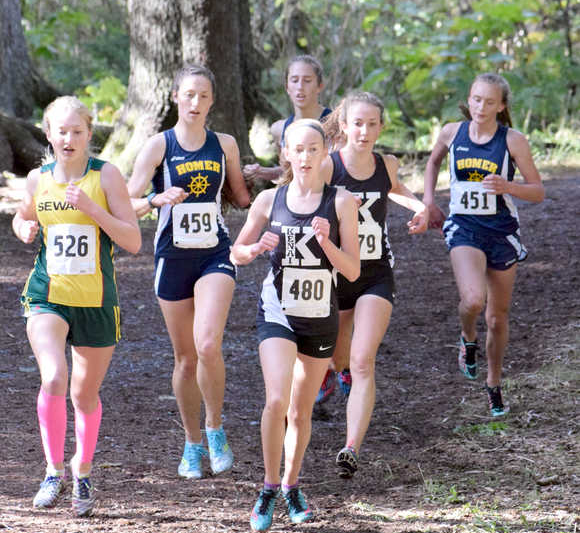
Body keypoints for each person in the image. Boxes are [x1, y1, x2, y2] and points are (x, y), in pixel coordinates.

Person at [12, 96, 141, 516]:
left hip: (96, 300)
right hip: (47, 293)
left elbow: (133, 241)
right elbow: (22, 215)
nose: (68, 139)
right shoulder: (38, 178)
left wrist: (91, 209)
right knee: (54, 377)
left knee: (84, 394)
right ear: (48, 134)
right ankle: (52, 472)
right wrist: (24, 227)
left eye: (77, 132)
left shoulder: (106, 177)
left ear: (90, 135)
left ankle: (81, 470)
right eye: (61, 131)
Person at [231, 118, 360, 531]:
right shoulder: (270, 199)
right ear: (285, 153)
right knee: (275, 401)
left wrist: (326, 242)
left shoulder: (340, 202)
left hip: (321, 315)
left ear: (325, 154)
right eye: (297, 149)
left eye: (312, 150)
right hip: (278, 311)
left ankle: (291, 485)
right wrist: (253, 248)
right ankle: (268, 488)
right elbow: (237, 252)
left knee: (301, 412)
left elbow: (353, 270)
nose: (304, 157)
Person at [127, 64, 250, 480]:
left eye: (203, 95)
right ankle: (192, 441)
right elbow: (128, 202)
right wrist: (157, 199)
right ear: (176, 97)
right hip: (171, 257)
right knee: (185, 358)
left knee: (208, 344)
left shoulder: (225, 144)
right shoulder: (158, 146)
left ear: (212, 101)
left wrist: (273, 179)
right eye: (189, 95)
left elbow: (240, 195)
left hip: (215, 252)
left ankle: (216, 429)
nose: (195, 102)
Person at [314, 91, 428, 476]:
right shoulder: (329, 167)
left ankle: (350, 448)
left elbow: (395, 189)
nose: (364, 131)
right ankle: (335, 370)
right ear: (343, 125)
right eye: (357, 123)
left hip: (375, 273)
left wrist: (420, 207)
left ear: (381, 127)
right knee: (340, 356)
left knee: (363, 361)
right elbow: (303, 200)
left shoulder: (386, 163)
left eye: (372, 124)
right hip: (334, 274)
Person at [423, 72, 544, 417]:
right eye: (476, 99)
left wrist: (509, 187)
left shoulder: (513, 140)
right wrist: (429, 201)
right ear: (469, 99)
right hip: (464, 228)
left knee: (497, 317)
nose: (481, 107)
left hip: (501, 232)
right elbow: (432, 162)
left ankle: (493, 385)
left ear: (501, 105)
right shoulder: (452, 132)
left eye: (489, 102)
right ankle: (466, 336)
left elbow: (538, 191)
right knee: (473, 300)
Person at [243, 55, 331, 185]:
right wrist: (260, 171)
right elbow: (288, 171)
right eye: (294, 80)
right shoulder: (279, 129)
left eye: (307, 80)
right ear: (287, 87)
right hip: (296, 200)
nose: (300, 86)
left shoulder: (335, 124)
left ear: (319, 86)